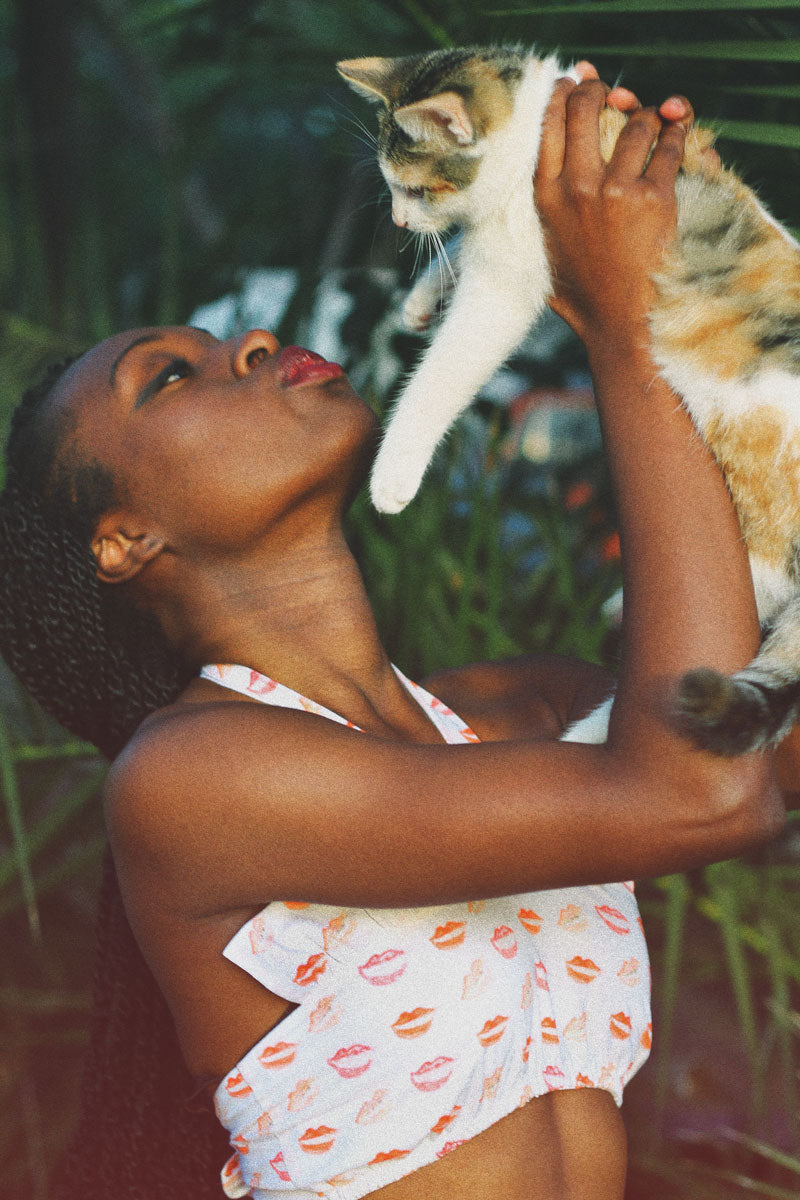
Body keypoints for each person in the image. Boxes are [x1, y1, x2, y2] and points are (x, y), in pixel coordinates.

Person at [0, 76, 792, 1200]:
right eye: (168, 377)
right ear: (123, 540)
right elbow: (699, 793)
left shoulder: (518, 712)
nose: (255, 341)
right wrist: (626, 327)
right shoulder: (192, 779)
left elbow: (757, 751)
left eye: (222, 339)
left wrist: (713, 294)